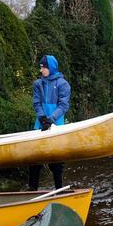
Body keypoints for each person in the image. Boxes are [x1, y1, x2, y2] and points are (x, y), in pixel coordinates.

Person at [28, 54, 71, 191]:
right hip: (40, 125)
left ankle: (59, 189)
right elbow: (37, 103)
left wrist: (50, 120)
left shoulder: (63, 84)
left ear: (51, 68)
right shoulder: (38, 84)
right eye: (40, 68)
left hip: (56, 126)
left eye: (43, 68)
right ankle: (32, 189)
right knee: (34, 159)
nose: (41, 70)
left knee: (57, 162)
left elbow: (63, 106)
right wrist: (42, 118)